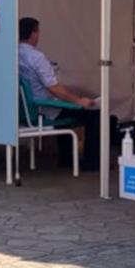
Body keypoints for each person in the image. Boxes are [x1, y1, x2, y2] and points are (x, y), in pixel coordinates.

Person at [17, 17, 105, 169]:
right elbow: (54, 88)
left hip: (26, 109)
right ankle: (92, 162)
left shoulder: (13, 54)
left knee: (66, 108)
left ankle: (66, 158)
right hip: (43, 108)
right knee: (95, 115)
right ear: (34, 33)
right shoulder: (37, 57)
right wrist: (78, 101)